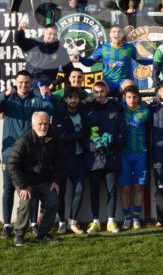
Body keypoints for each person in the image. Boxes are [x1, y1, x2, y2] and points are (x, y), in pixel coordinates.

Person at [0, 70, 54, 238]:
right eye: (21, 82)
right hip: (10, 152)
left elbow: (52, 110)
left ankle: (33, 224)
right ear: (15, 83)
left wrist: (47, 96)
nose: (24, 85)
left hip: (31, 153)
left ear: (31, 83)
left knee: (32, 189)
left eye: (26, 82)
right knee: (8, 188)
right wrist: (4, 95)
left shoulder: (36, 99)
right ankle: (7, 225)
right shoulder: (9, 99)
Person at [6, 111, 65, 245]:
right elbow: (12, 165)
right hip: (25, 181)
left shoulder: (55, 138)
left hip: (44, 180)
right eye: (40, 124)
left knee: (54, 201)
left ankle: (42, 233)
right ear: (33, 125)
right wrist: (23, 186)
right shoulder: (23, 141)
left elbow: (60, 161)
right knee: (26, 203)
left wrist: (56, 181)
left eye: (46, 124)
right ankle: (19, 234)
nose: (43, 127)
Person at [83, 80, 126, 234]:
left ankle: (111, 221)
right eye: (96, 92)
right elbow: (83, 134)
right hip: (94, 158)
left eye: (102, 91)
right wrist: (94, 145)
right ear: (93, 93)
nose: (99, 95)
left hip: (112, 155)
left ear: (106, 91)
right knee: (94, 189)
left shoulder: (116, 107)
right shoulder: (87, 109)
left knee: (111, 189)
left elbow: (123, 131)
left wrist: (113, 141)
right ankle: (95, 221)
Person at [51, 86, 88, 234]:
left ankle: (72, 221)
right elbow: (62, 137)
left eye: (76, 97)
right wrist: (80, 134)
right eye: (70, 97)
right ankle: (62, 223)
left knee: (79, 189)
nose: (73, 100)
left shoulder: (84, 112)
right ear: (65, 99)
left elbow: (88, 131)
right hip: (62, 158)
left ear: (79, 99)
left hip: (79, 157)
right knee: (61, 192)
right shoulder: (59, 113)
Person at [81, 24, 149, 96]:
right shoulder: (103, 48)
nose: (116, 34)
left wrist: (155, 60)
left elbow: (142, 61)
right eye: (114, 32)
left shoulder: (130, 48)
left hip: (123, 82)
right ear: (110, 34)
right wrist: (79, 58)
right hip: (108, 82)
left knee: (130, 85)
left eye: (119, 32)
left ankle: (128, 103)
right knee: (97, 86)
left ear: (123, 34)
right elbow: (89, 63)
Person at [119, 86, 150, 230]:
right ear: (124, 98)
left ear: (139, 97)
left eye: (135, 97)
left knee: (139, 186)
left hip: (140, 154)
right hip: (124, 154)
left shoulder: (145, 112)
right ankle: (127, 218)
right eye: (129, 97)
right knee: (125, 188)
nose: (132, 100)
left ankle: (136, 218)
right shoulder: (120, 110)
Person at [15, 21, 77, 87]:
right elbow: (20, 41)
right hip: (29, 82)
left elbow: (69, 71)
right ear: (44, 32)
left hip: (46, 85)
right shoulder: (33, 42)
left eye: (55, 34)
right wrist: (20, 30)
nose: (52, 36)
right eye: (50, 34)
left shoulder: (61, 51)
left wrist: (56, 84)